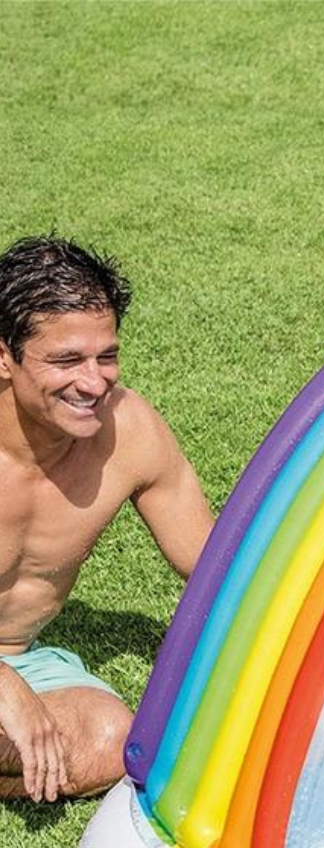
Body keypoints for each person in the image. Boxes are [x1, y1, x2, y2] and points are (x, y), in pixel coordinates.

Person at [0, 235, 214, 802]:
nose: (95, 382)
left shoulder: (129, 431)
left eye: (107, 355)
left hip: (22, 658)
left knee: (110, 738)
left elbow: (216, 566)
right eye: (66, 360)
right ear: (4, 356)